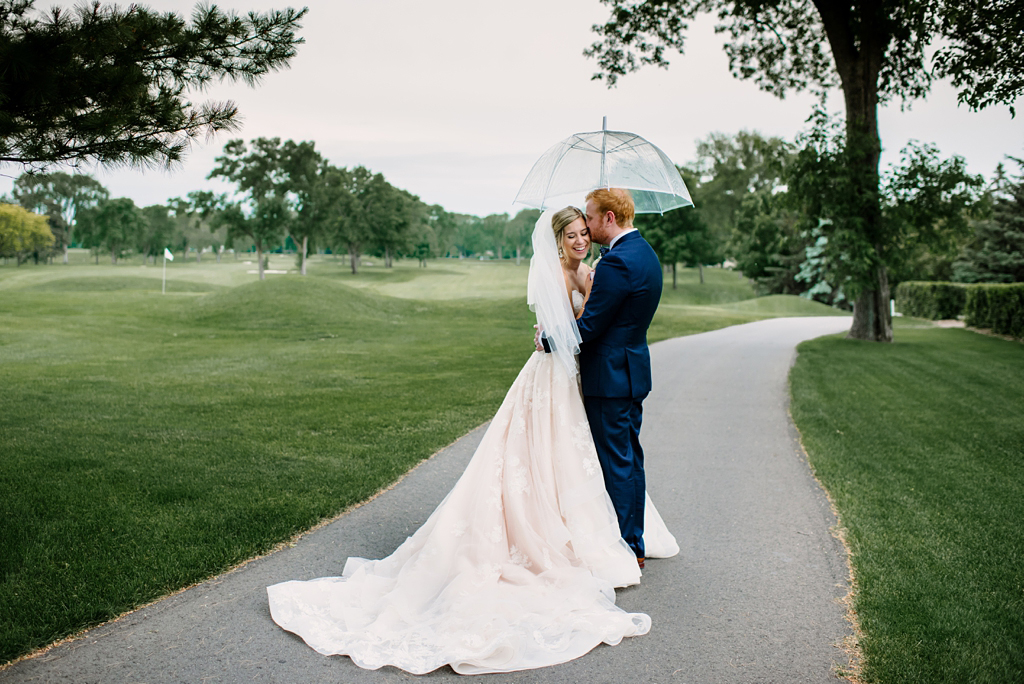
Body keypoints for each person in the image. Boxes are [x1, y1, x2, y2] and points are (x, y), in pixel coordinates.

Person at [267, 207, 677, 675]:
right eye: (572, 235)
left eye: (586, 232)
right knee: (544, 453)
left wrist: (594, 281)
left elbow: (597, 310)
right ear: (557, 240)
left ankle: (591, 529)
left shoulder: (591, 270)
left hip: (573, 374)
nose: (582, 240)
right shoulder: (556, 274)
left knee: (573, 458)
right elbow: (571, 329)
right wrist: (552, 333)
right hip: (552, 373)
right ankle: (549, 531)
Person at [538, 189, 663, 568]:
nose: (587, 229)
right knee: (630, 459)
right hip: (631, 370)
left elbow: (589, 326)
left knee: (616, 462)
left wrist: (546, 339)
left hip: (609, 378)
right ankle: (633, 539)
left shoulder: (617, 264)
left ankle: (628, 546)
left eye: (590, 219)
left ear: (609, 218)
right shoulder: (645, 253)